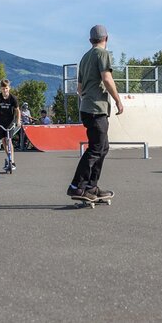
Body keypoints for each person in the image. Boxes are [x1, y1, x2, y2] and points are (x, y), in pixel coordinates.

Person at [67, 24, 123, 201]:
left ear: (90, 40)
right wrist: (118, 100)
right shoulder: (103, 54)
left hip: (87, 107)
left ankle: (91, 187)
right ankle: (76, 186)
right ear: (106, 38)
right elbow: (107, 78)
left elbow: (79, 88)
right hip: (96, 109)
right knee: (96, 148)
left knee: (102, 148)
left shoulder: (84, 58)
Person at [0, 79, 21, 171]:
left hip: (9, 122)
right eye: (3, 89)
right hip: (0, 122)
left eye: (6, 88)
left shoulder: (13, 98)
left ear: (9, 88)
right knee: (3, 140)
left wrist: (18, 120)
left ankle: (12, 161)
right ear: (1, 89)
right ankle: (8, 158)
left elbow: (17, 110)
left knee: (9, 140)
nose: (5, 90)